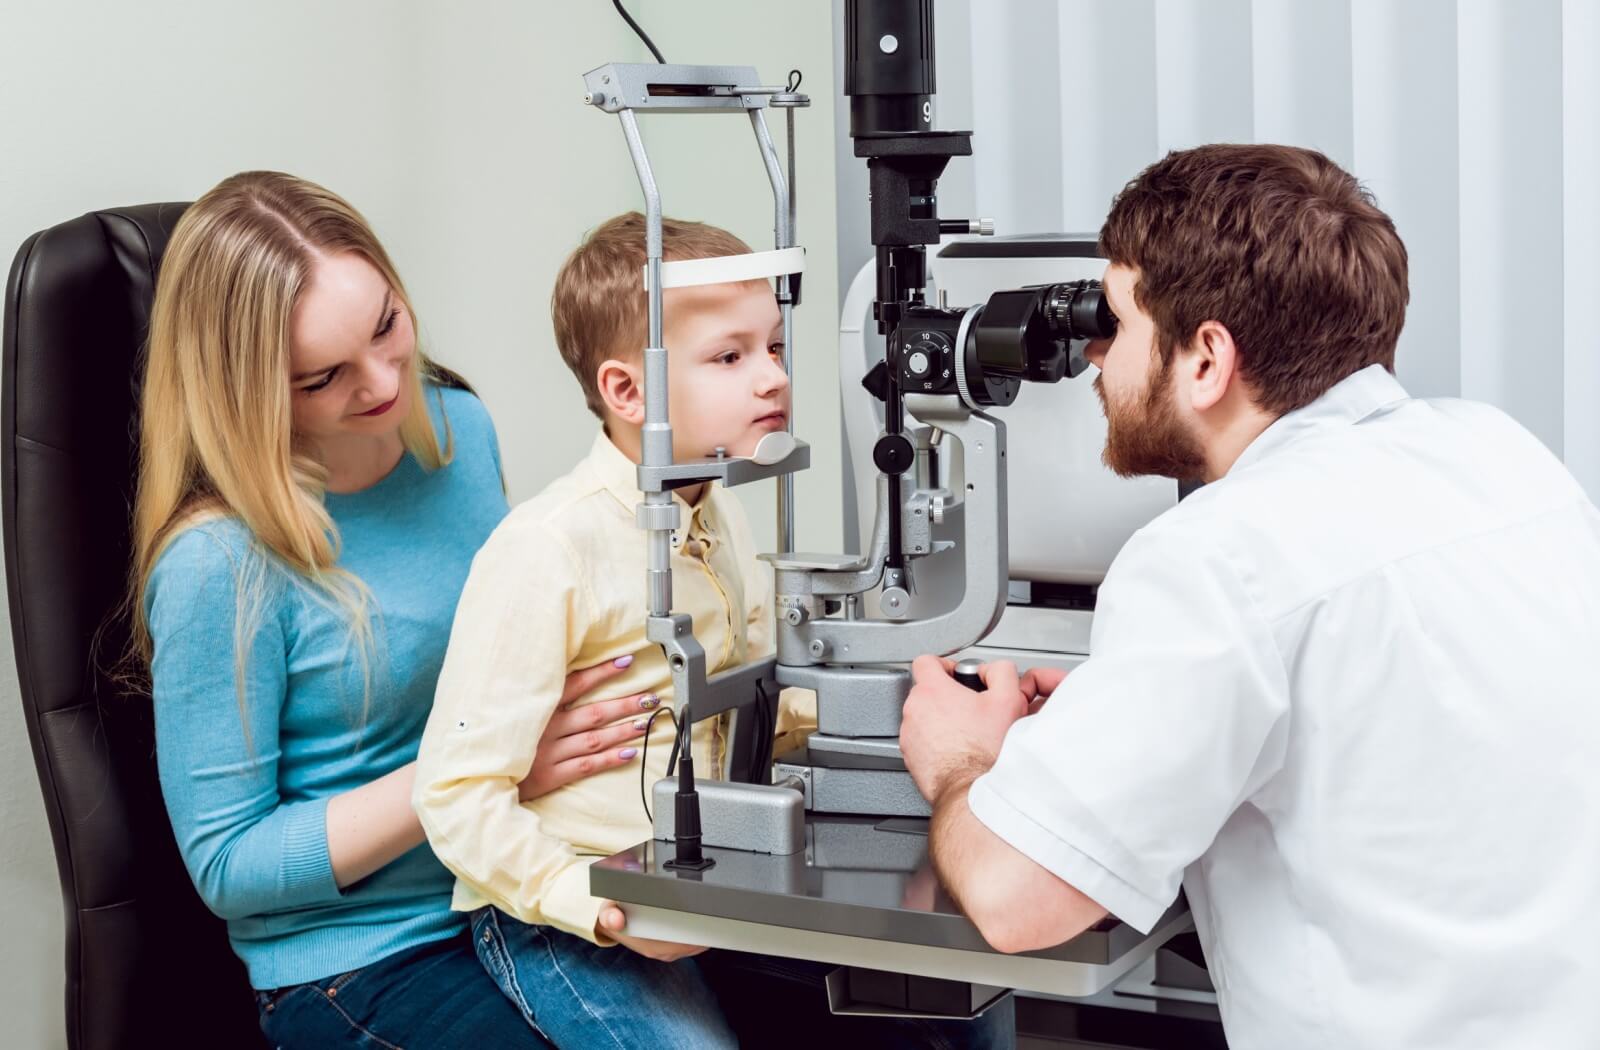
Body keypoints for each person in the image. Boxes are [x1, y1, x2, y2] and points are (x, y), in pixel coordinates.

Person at [900, 143, 1600, 1050]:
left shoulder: (1217, 555)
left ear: (1207, 359)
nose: (1094, 360)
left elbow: (1012, 900)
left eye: (1114, 323)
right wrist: (1141, 719)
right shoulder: (1502, 456)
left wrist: (962, 760)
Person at [413, 213, 1012, 1049]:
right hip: (563, 909)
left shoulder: (716, 506)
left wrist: (913, 711)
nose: (771, 378)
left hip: (704, 873)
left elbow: (765, 696)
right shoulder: (545, 550)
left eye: (773, 347)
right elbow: (452, 795)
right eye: (730, 357)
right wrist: (605, 911)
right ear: (629, 392)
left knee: (954, 997)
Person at [135, 171, 655, 1048]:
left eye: (387, 327)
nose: (384, 382)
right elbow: (228, 865)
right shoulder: (215, 563)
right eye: (323, 377)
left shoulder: (457, 431)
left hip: (511, 884)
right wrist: (473, 773)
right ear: (249, 390)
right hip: (363, 961)